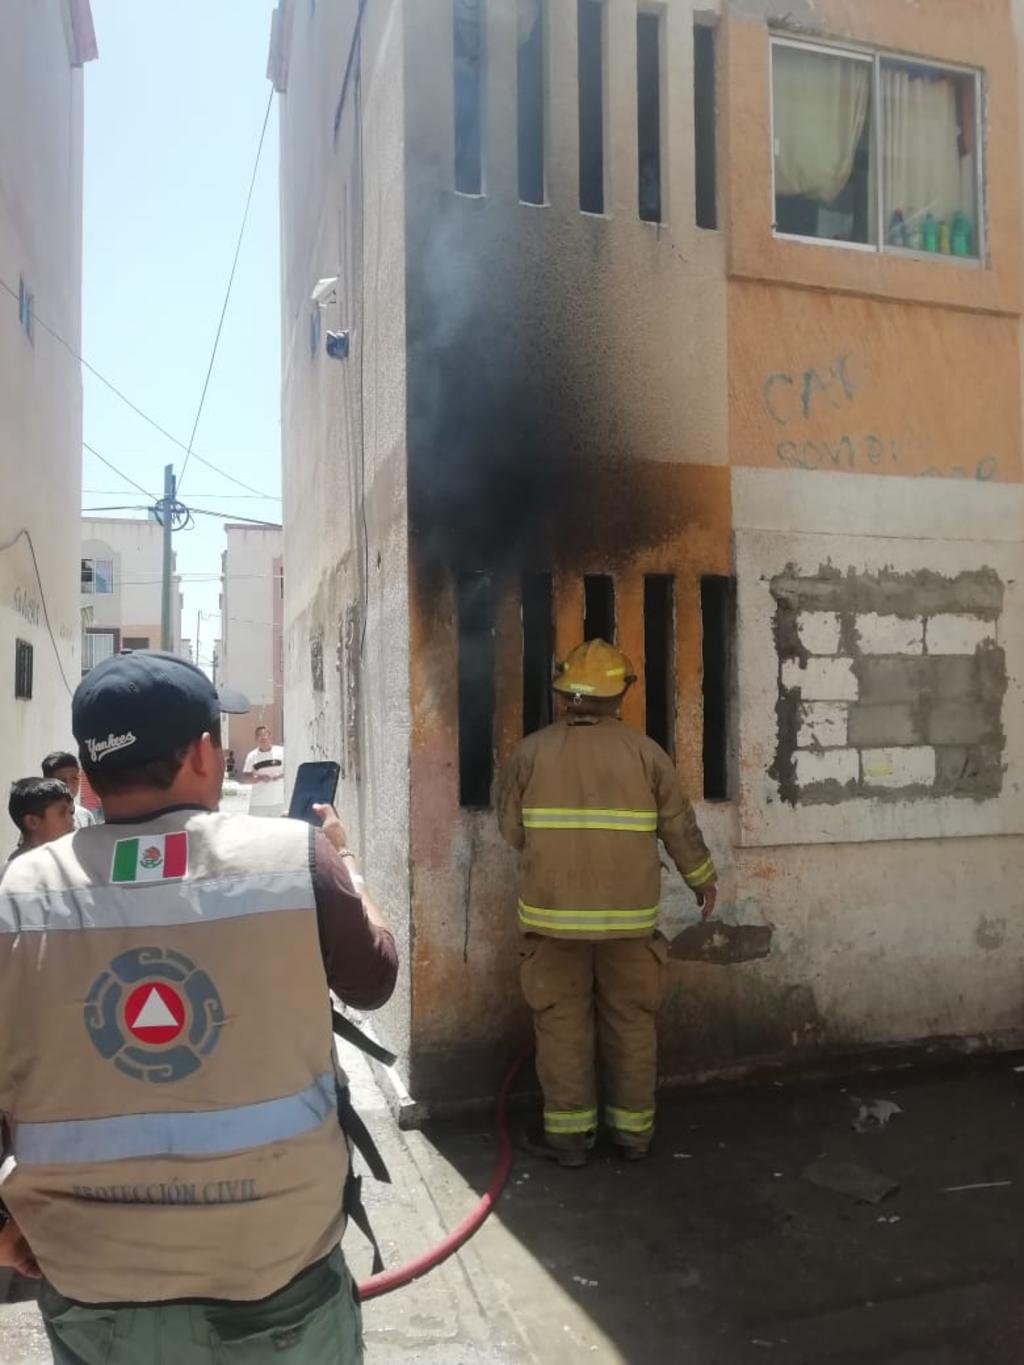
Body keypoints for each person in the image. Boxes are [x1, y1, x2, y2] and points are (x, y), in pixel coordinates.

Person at [0, 651, 397, 1364]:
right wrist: (351, 865)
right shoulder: (298, 859)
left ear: (86, 778)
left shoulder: (17, 893)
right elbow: (373, 980)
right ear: (205, 753)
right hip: (278, 1274)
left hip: (93, 1283)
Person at [497, 639, 718, 1168]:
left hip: (552, 925)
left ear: (565, 693)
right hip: (630, 925)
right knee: (632, 1023)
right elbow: (680, 828)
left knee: (561, 1025)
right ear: (619, 693)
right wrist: (703, 880)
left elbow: (511, 832)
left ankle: (570, 1143)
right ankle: (633, 1137)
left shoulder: (529, 754)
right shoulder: (647, 754)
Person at [5, 778, 75, 863]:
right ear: (32, 822)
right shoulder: (19, 870)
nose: (72, 820)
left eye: (71, 813)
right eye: (62, 813)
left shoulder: (64, 857)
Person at [41, 750, 96, 828]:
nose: (69, 785)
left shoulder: (85, 815)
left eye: (74, 778)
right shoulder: (40, 818)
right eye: (62, 781)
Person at [242, 724, 286, 818]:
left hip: (278, 802)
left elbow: (290, 771)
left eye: (265, 734)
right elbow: (246, 777)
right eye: (259, 735)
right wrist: (260, 778)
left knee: (277, 830)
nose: (263, 737)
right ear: (256, 738)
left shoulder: (282, 752)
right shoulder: (252, 756)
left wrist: (279, 776)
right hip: (258, 803)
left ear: (270, 736)